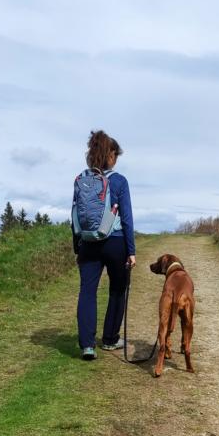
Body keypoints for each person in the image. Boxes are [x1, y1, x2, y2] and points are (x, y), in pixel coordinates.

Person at [73, 130, 136, 360]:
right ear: (111, 155)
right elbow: (127, 219)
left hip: (88, 242)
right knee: (118, 289)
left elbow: (75, 216)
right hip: (115, 241)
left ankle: (88, 346)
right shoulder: (119, 181)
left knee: (87, 292)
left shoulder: (81, 179)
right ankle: (110, 339)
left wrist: (77, 246)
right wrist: (131, 251)